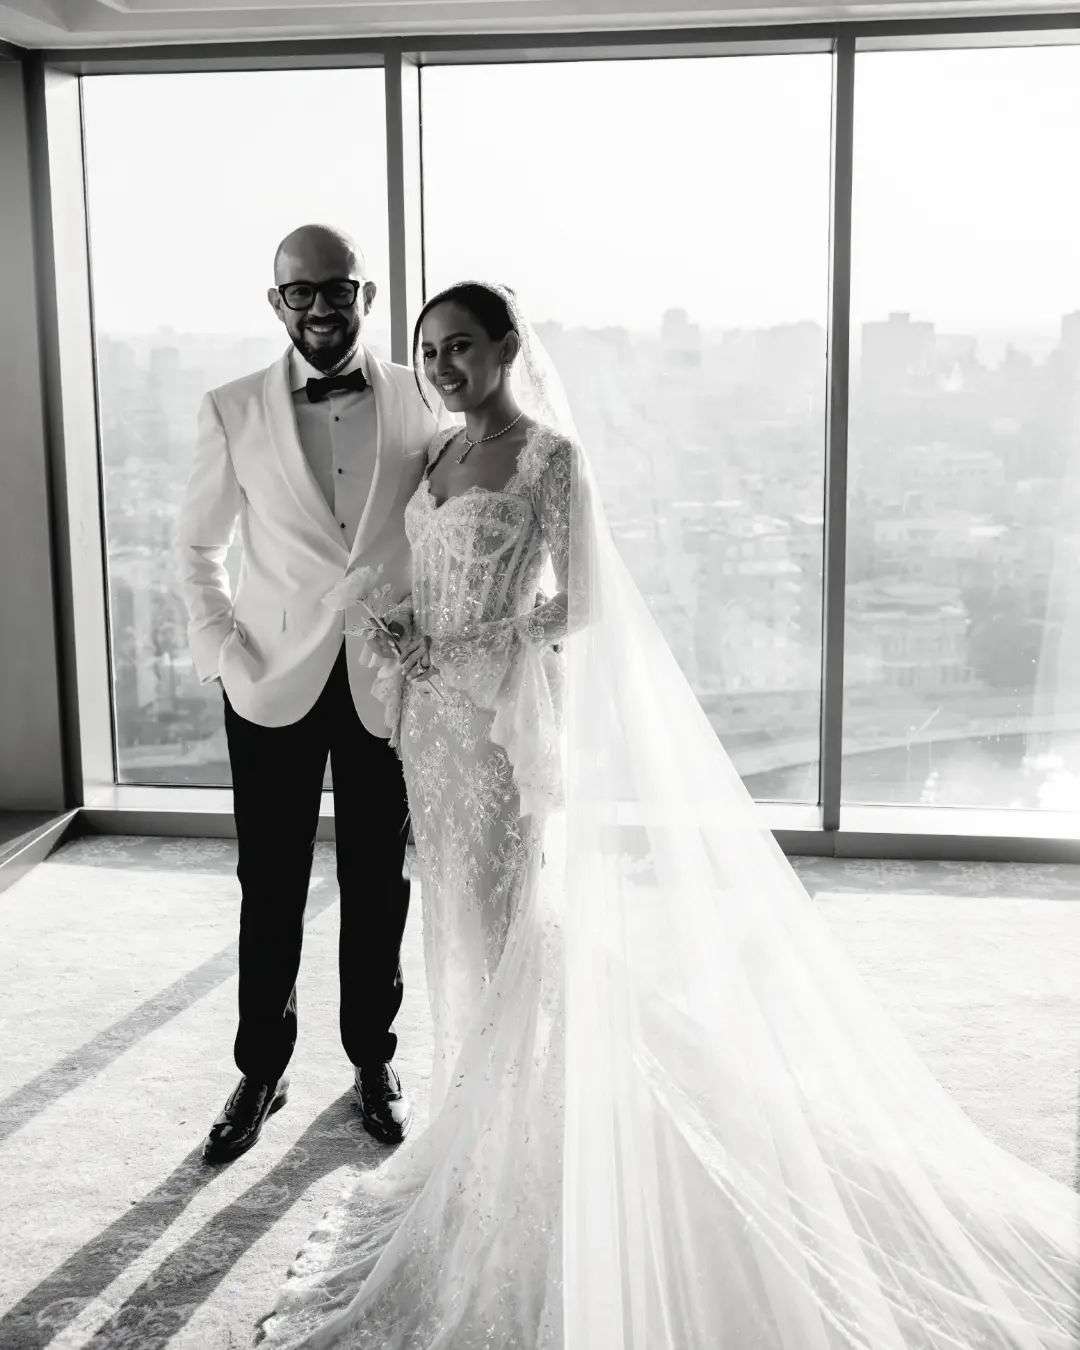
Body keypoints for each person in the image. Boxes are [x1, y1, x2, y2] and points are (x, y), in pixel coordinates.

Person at [258, 282, 1079, 1349]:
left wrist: (470, 644)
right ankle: (482, 1127)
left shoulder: (548, 459)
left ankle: (541, 1152)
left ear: (507, 347)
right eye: (430, 349)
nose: (445, 365)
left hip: (500, 728)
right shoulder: (439, 453)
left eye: (462, 345)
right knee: (458, 925)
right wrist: (408, 628)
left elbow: (583, 602)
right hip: (431, 730)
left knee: (509, 933)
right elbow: (430, 570)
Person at [175, 225, 439, 1164]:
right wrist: (221, 650)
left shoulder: (420, 395)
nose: (321, 307)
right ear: (277, 301)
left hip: (385, 677)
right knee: (270, 881)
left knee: (378, 881)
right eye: (302, 292)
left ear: (366, 295)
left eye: (337, 289)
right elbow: (197, 545)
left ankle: (373, 1058)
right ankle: (261, 1069)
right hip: (268, 677)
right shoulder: (231, 407)